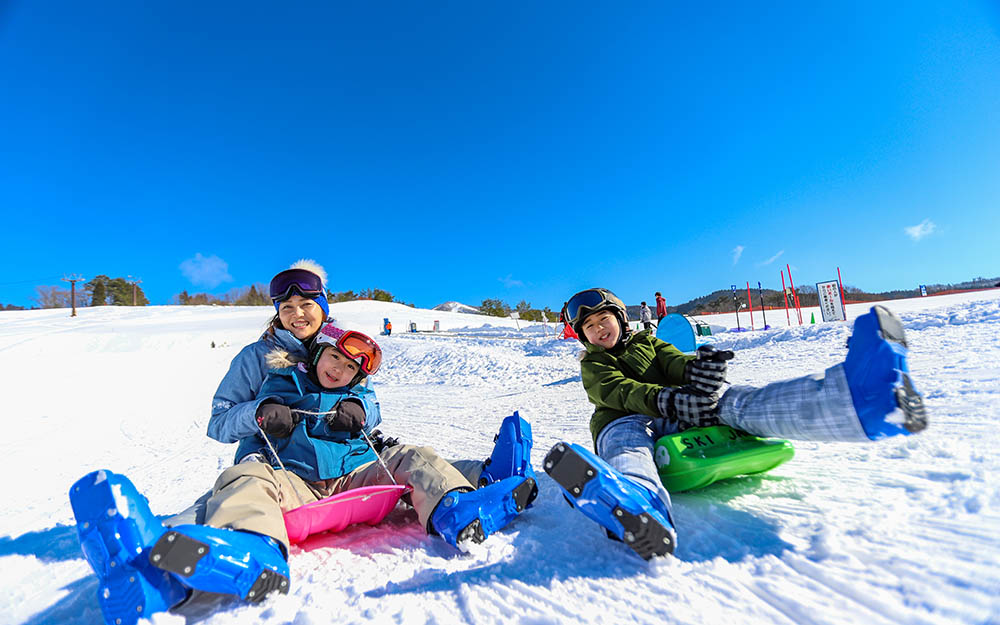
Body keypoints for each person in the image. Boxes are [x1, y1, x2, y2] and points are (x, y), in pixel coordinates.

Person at [70, 324, 537, 625]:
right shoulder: (279, 381)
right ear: (316, 355)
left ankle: (456, 509)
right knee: (247, 479)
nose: (339, 369)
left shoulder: (358, 397)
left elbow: (373, 411)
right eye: (334, 358)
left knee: (411, 455)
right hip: (291, 480)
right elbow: (223, 421)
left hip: (353, 477)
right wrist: (262, 413)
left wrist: (358, 410)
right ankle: (246, 550)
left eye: (350, 368)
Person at [544, 287, 928, 560]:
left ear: (620, 318)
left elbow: (676, 363)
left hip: (675, 407)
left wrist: (698, 373)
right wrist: (667, 399)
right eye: (589, 326)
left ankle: (859, 402)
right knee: (627, 447)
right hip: (625, 418)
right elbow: (619, 391)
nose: (598, 329)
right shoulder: (592, 363)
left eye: (603, 319)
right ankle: (637, 508)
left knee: (732, 399)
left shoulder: (650, 342)